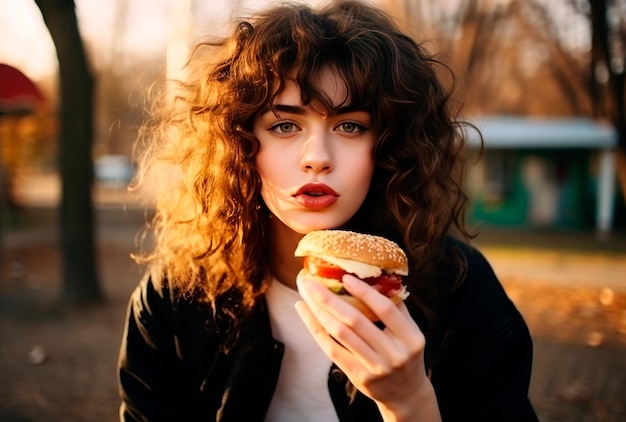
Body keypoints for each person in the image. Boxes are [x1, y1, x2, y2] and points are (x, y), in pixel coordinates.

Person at [117, 1, 539, 421]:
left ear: (389, 147)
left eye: (350, 126)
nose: (317, 157)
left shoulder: (461, 290)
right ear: (240, 144)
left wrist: (410, 403)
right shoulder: (176, 298)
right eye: (285, 125)